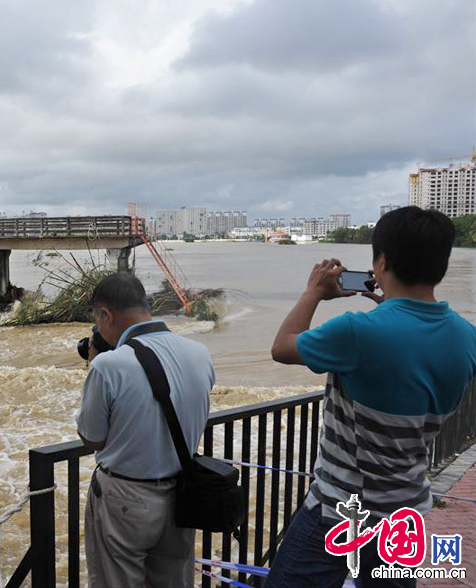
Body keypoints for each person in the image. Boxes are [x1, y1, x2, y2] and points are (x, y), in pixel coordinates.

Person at [267, 206, 476, 588]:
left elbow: (282, 347)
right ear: (441, 265)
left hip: (340, 509)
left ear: (381, 261)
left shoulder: (356, 332)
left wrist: (313, 293)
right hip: (403, 511)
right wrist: (390, 304)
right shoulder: (466, 336)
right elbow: (412, 342)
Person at [76, 272, 215, 588]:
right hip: (182, 495)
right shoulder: (199, 353)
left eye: (99, 320)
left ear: (106, 315)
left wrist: (94, 363)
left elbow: (92, 437)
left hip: (126, 498)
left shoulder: (108, 366)